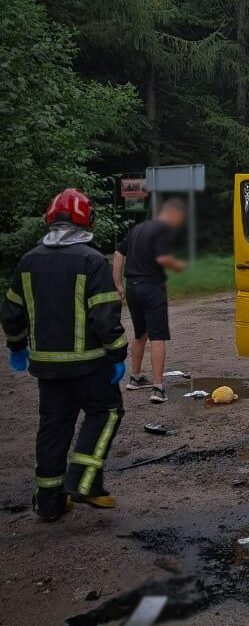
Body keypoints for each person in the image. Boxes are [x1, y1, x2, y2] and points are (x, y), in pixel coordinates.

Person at [1, 189, 127, 521]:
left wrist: (17, 348)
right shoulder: (91, 260)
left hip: (47, 369)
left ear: (49, 220)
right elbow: (105, 317)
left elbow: (11, 314)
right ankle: (84, 481)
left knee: (54, 427)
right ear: (87, 220)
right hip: (89, 364)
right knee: (107, 411)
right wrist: (118, 354)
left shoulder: (28, 261)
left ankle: (49, 501)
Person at [112, 197, 187, 403]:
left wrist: (118, 284)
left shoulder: (138, 229)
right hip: (152, 288)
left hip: (133, 288)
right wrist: (179, 266)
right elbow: (163, 259)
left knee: (141, 333)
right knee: (157, 336)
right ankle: (158, 387)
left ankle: (135, 378)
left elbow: (118, 253)